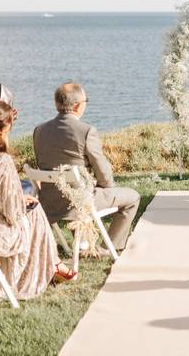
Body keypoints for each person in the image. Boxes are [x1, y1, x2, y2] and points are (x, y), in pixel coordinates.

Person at [0, 100, 76, 298]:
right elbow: (12, 214)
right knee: (35, 210)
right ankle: (48, 267)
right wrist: (21, 202)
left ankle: (54, 264)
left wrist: (18, 197)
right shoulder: (1, 161)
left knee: (30, 205)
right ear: (3, 128)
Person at [33, 83, 141, 252]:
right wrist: (107, 188)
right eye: (86, 101)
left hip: (49, 202)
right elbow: (102, 169)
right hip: (79, 203)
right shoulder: (86, 131)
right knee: (132, 198)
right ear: (78, 105)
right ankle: (109, 248)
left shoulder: (39, 131)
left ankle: (83, 240)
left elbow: (42, 165)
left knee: (85, 187)